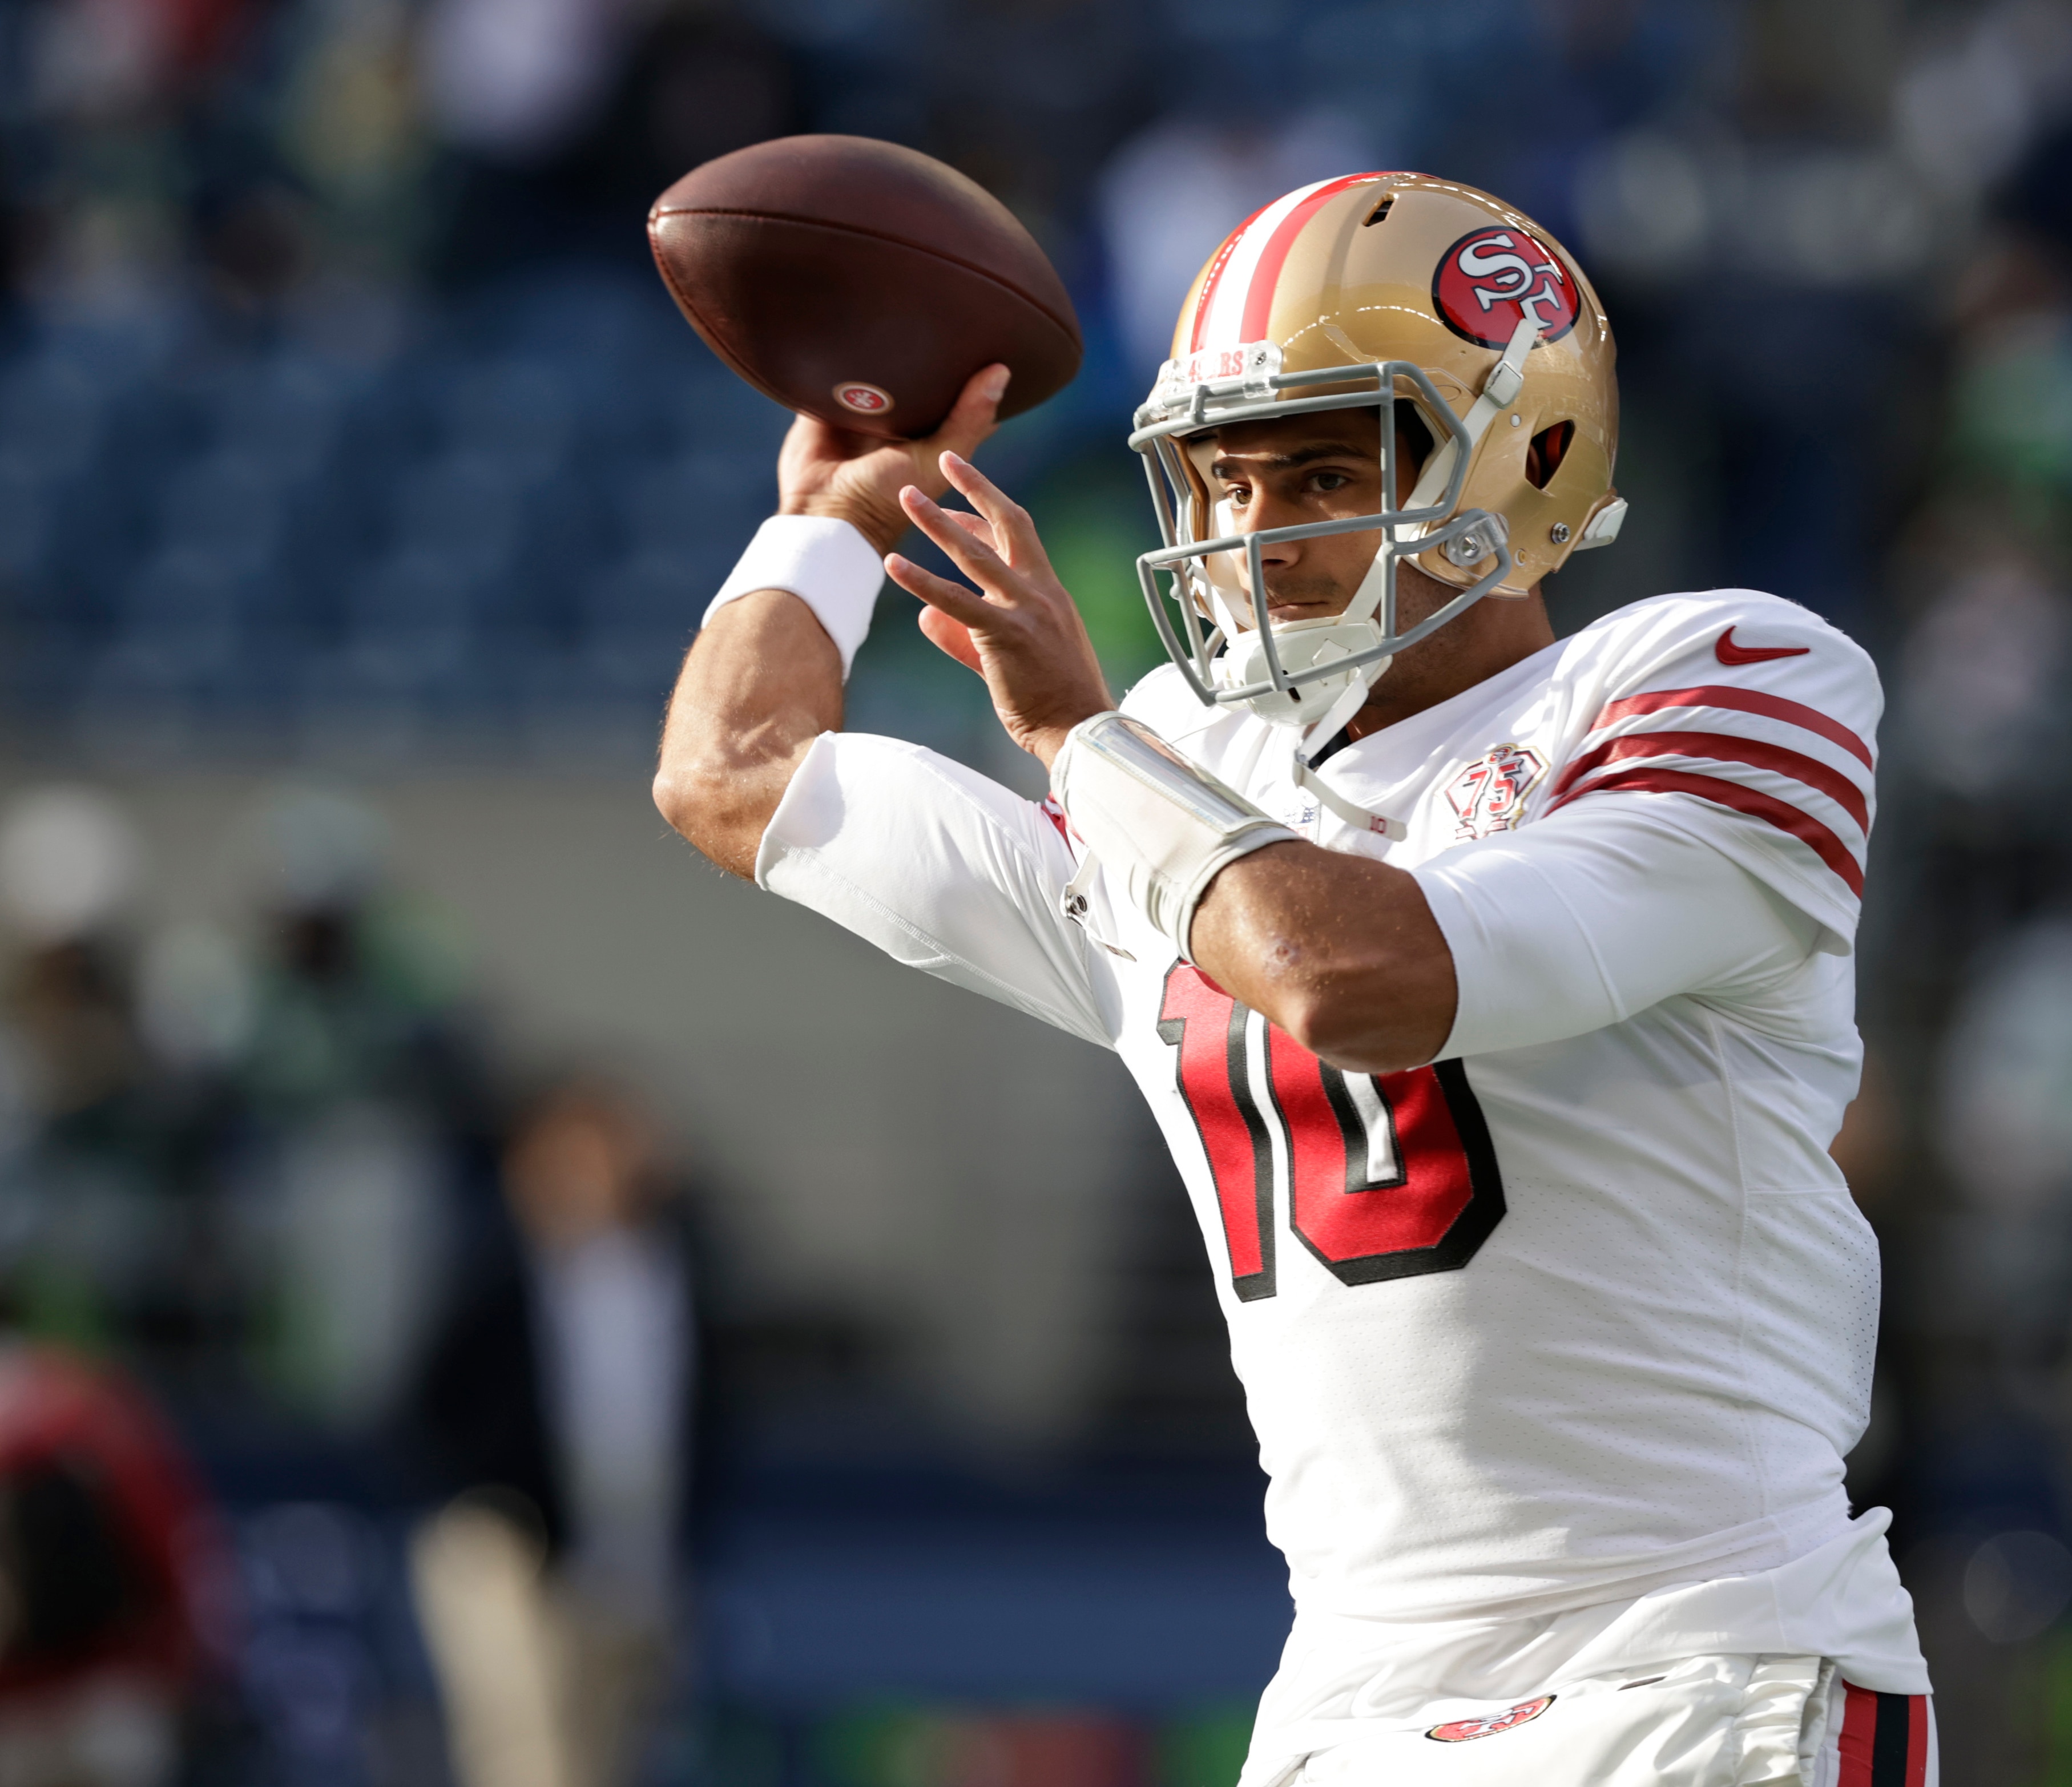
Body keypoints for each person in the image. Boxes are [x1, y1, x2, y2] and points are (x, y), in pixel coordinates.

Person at [654, 172, 1930, 1787]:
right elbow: (734, 774)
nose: (1259, 534)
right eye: (1221, 479)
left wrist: (1079, 740)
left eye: (1324, 468)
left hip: (1691, 1664)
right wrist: (825, 522)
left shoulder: (1715, 672)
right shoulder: (1176, 782)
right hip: (1350, 1695)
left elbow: (1363, 973)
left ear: (1529, 452)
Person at [406, 1078, 710, 1787]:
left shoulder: (672, 1275)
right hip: (509, 1542)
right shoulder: (493, 1271)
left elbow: (694, 1418)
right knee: (525, 1750)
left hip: (629, 1551)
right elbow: (428, 1402)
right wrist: (493, 1494)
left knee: (604, 1753)